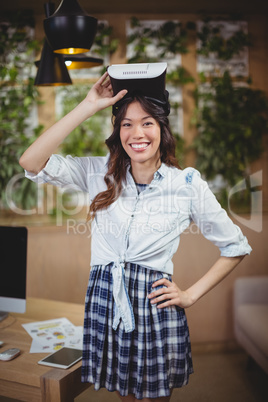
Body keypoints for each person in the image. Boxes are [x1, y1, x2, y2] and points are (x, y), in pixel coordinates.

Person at [19, 66, 252, 402]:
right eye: (126, 123)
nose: (136, 133)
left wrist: (190, 295)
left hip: (153, 307)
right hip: (105, 301)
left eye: (147, 122)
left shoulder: (185, 184)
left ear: (161, 128)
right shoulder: (99, 171)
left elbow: (235, 246)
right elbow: (31, 161)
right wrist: (88, 106)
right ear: (118, 131)